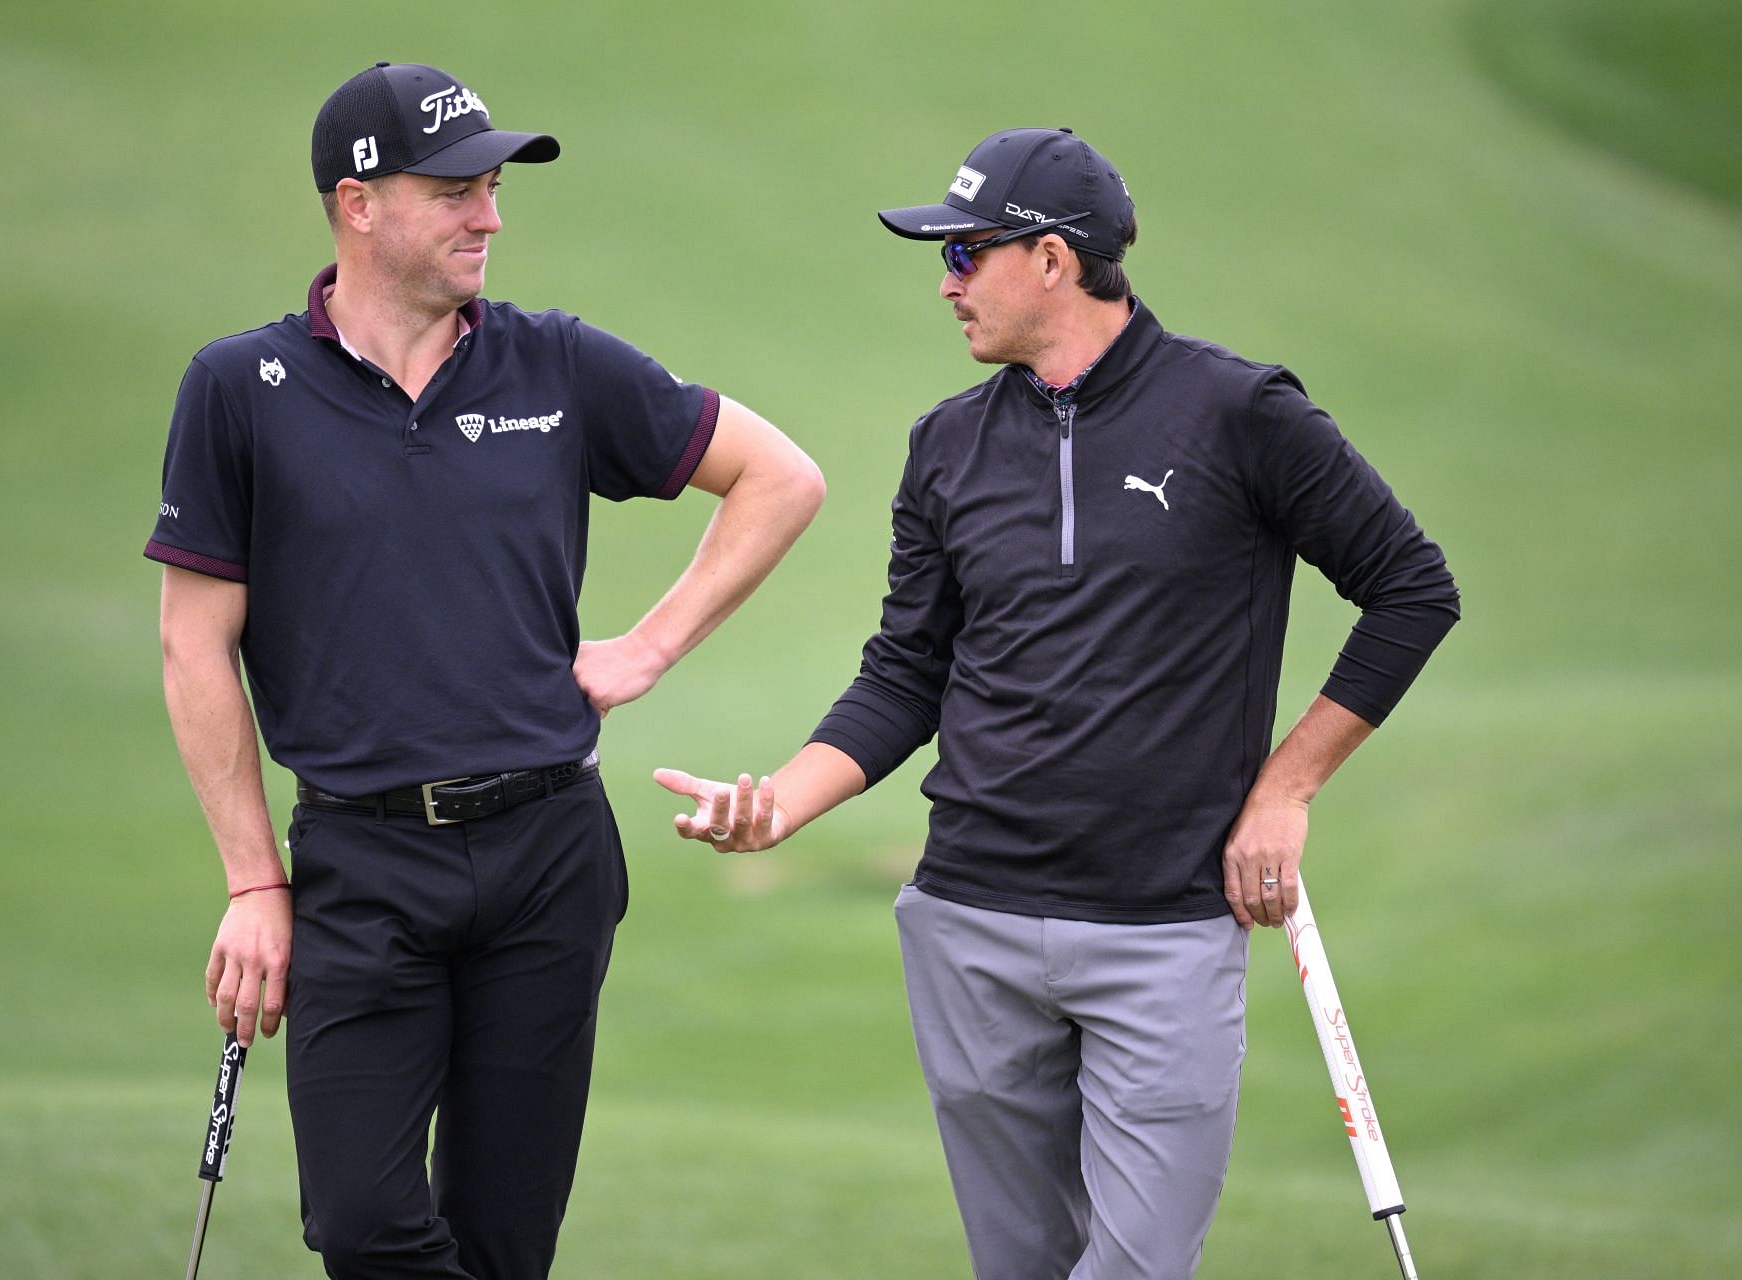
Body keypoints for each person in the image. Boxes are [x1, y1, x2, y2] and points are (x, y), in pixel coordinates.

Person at [655, 127, 1459, 1279]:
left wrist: (1287, 787)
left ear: (1051, 258)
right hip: (970, 922)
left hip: (1164, 929)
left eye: (966, 253)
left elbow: (1411, 589)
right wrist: (780, 801)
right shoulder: (945, 447)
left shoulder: (1242, 414)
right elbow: (905, 675)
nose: (945, 282)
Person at [145, 60, 823, 1280]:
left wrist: (649, 645)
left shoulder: (553, 364)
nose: (490, 216)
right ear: (358, 202)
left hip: (547, 856)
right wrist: (255, 881)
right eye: (457, 188)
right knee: (361, 1223)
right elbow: (194, 643)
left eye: (494, 186)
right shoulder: (241, 390)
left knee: (507, 1241)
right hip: (361, 864)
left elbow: (783, 477)